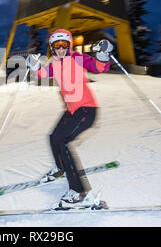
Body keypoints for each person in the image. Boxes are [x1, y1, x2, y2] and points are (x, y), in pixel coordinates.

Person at [26, 29, 113, 207]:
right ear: (52, 47)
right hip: (72, 110)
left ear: (69, 45)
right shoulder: (54, 63)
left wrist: (103, 54)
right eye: (56, 46)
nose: (60, 49)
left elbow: (98, 66)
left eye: (64, 45)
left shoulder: (77, 58)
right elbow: (43, 74)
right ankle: (60, 168)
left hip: (86, 109)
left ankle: (79, 191)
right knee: (53, 137)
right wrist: (34, 65)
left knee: (64, 142)